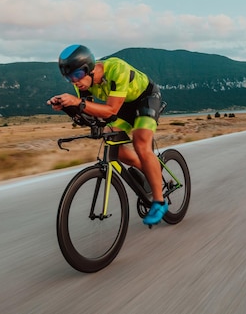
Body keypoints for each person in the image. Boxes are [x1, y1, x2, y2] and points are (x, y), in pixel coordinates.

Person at [47, 44, 167, 226]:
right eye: (69, 78)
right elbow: (89, 115)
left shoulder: (116, 69)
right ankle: (147, 171)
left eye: (77, 75)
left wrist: (77, 102)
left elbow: (110, 111)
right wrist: (68, 108)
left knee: (140, 143)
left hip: (145, 99)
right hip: (122, 106)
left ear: (89, 68)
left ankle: (159, 202)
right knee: (112, 145)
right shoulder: (83, 85)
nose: (75, 81)